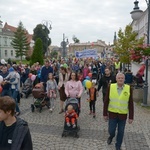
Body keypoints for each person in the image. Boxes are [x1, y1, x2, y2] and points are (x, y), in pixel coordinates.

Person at [103, 72, 134, 150]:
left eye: (122, 78)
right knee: (111, 130)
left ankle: (118, 146)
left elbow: (130, 103)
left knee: (121, 132)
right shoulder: (111, 87)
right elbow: (106, 101)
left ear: (124, 79)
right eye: (119, 78)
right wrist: (105, 114)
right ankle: (111, 136)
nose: (120, 79)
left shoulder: (128, 88)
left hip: (123, 115)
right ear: (116, 79)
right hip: (112, 114)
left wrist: (131, 117)